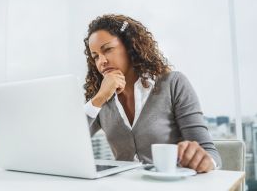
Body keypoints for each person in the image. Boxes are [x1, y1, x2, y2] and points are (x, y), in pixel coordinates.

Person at [83, 14, 222, 173]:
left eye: (107, 49)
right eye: (95, 57)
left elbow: (210, 153)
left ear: (130, 46)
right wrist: (99, 98)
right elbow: (71, 139)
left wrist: (205, 161)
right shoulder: (101, 98)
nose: (101, 62)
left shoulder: (173, 84)